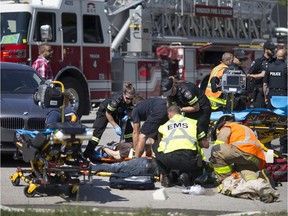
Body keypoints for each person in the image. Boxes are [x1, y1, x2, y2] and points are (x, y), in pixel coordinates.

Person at [152, 105, 209, 187]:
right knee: (200, 166)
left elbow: (161, 146)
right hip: (189, 159)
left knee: (155, 145)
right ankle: (188, 176)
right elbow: (206, 145)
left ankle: (165, 176)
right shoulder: (193, 123)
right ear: (180, 113)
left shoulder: (163, 127)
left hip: (169, 160)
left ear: (169, 114)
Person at [83, 83, 136, 162]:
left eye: (131, 99)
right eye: (127, 98)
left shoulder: (131, 100)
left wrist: (127, 116)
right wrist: (115, 126)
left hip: (118, 112)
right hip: (105, 112)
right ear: (124, 94)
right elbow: (108, 113)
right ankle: (87, 154)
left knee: (129, 131)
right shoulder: (116, 100)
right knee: (96, 135)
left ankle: (129, 150)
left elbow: (130, 110)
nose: (129, 101)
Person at [263, 48, 287, 153]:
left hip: (271, 95)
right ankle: (284, 145)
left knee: (270, 120)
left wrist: (265, 96)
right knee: (284, 121)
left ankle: (267, 143)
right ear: (285, 57)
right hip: (284, 96)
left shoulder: (269, 67)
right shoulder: (286, 67)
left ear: (277, 56)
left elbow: (265, 84)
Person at [247, 40, 276, 108]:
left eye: (273, 49)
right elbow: (248, 75)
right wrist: (260, 75)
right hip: (260, 94)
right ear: (266, 50)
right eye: (271, 49)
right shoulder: (258, 62)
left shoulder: (275, 62)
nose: (273, 51)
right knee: (260, 112)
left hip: (272, 92)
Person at [91, 157, 159, 176]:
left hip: (144, 164)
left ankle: (90, 167)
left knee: (114, 168)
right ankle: (90, 167)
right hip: (144, 166)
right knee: (114, 168)